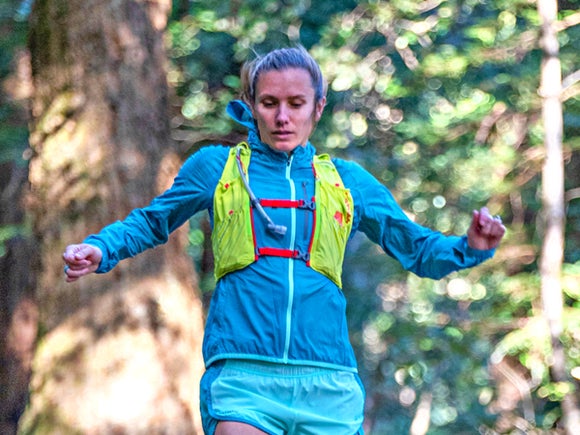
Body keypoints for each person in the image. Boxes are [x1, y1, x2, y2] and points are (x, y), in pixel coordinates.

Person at [63, 45, 506, 435]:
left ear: (318, 107)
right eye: (270, 103)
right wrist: (101, 248)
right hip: (242, 373)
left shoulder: (347, 181)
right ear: (251, 105)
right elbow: (152, 220)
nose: (282, 117)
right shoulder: (217, 168)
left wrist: (471, 247)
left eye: (296, 103)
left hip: (327, 380)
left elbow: (417, 249)